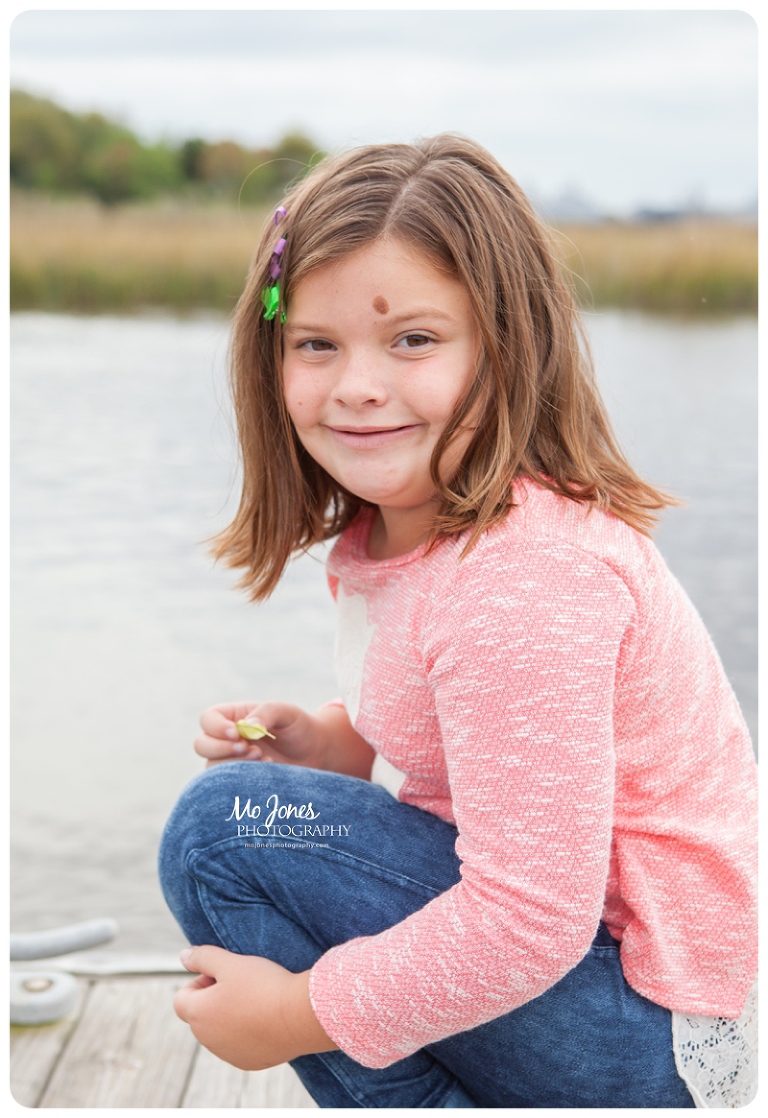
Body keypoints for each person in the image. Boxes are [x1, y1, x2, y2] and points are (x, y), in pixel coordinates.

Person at [158, 135, 757, 1108]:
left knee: (224, 829)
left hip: (642, 1026)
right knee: (246, 809)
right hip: (589, 981)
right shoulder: (404, 535)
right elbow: (468, 743)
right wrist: (334, 743)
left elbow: (528, 919)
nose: (357, 383)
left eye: (413, 340)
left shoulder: (521, 579)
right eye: (316, 343)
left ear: (506, 348)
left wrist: (302, 1012)